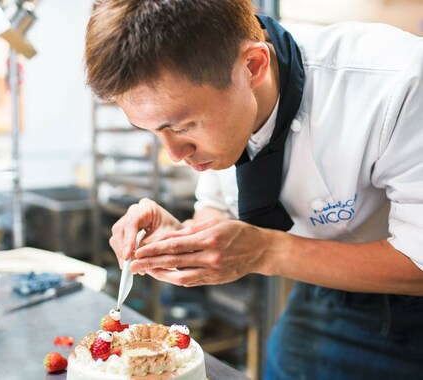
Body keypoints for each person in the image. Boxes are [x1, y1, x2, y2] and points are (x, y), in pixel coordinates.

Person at [85, 0, 423, 378]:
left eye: (182, 127)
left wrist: (265, 250)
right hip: (317, 289)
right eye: (154, 131)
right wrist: (183, 241)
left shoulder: (398, 82)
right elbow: (217, 212)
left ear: (253, 66)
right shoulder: (214, 94)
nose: (175, 154)